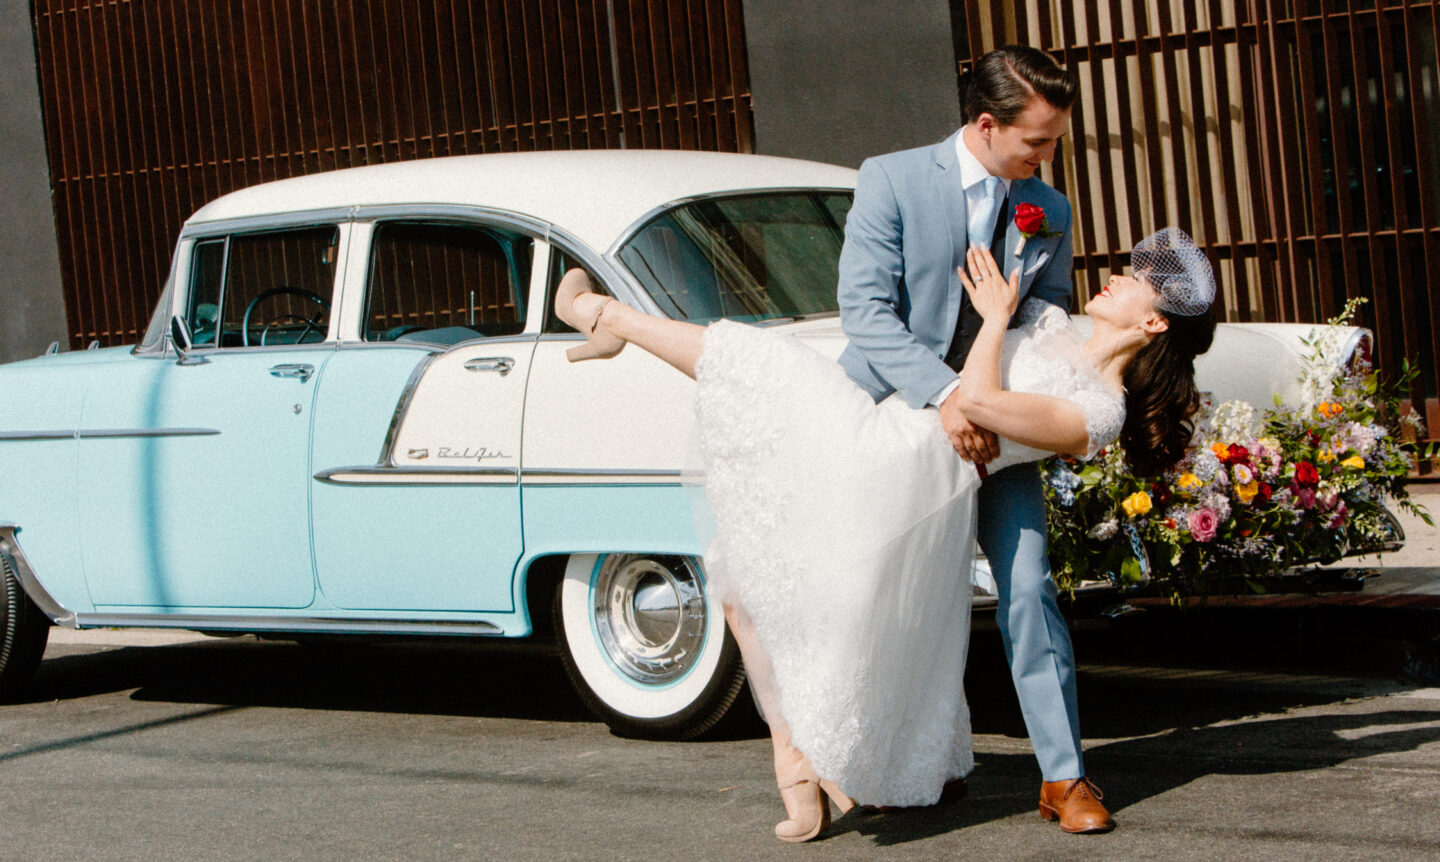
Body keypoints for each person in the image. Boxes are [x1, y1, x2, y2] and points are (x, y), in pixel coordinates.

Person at [552, 226, 1217, 842]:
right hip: (893, 432)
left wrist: (990, 321)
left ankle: (605, 317)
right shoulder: (1052, 327)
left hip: (905, 469)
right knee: (748, 579)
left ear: (1153, 322)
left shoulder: (1099, 409)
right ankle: (798, 771)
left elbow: (978, 402)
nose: (1116, 277)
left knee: (761, 390)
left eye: (1135, 281)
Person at [836, 44, 1112, 834]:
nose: (1047, 158)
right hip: (893, 417)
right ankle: (908, 762)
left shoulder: (1047, 210)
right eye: (1037, 141)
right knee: (898, 601)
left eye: (1054, 141)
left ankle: (1065, 777)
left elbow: (1047, 317)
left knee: (1028, 585)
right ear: (986, 125)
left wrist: (1031, 395)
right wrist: (950, 394)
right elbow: (865, 314)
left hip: (997, 432)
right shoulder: (889, 178)